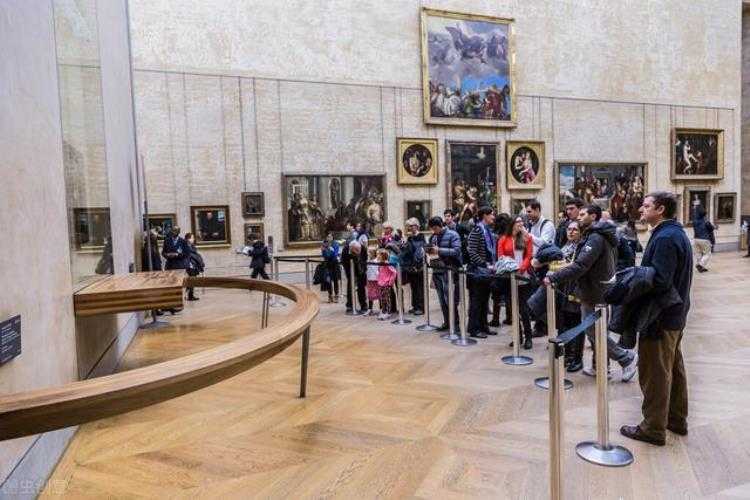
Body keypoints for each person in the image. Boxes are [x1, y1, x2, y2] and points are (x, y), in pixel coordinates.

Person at [620, 192, 693, 446]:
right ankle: (676, 419)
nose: (641, 209)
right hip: (674, 314)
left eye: (646, 205)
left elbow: (659, 280)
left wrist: (630, 281)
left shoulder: (665, 238)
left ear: (660, 209)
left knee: (655, 373)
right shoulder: (674, 233)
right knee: (673, 368)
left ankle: (652, 428)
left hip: (660, 316)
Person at [545, 204, 638, 381]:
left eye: (582, 214)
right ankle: (600, 366)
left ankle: (626, 357)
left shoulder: (595, 237)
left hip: (596, 292)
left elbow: (581, 265)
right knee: (596, 330)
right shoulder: (597, 234)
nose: (578, 217)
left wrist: (555, 277)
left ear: (593, 217)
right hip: (594, 289)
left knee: (594, 331)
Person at [497, 215, 534, 349]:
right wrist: (510, 269)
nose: (520, 224)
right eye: (518, 222)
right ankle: (518, 337)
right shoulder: (503, 239)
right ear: (512, 224)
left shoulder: (526, 238)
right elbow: (500, 257)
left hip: (523, 276)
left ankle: (528, 337)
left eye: (522, 222)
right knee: (512, 308)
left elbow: (529, 256)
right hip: (508, 277)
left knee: (524, 309)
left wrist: (521, 269)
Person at [426, 217, 462, 332]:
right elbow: (433, 252)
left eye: (434, 228)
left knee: (450, 299)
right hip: (436, 269)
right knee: (441, 299)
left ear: (438, 226)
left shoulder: (453, 234)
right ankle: (446, 322)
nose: (433, 231)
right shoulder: (433, 237)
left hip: (449, 270)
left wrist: (439, 250)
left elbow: (457, 251)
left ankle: (455, 324)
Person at [466, 206, 496, 338]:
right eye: (491, 214)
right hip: (477, 271)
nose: (493, 217)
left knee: (485, 301)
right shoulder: (477, 230)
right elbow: (471, 251)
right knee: (476, 302)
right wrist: (484, 264)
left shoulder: (487, 229)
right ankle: (474, 329)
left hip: (486, 271)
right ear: (484, 215)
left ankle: (484, 326)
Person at [559, 221, 584, 371]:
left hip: (577, 289)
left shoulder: (582, 247)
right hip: (564, 288)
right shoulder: (566, 246)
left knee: (577, 324)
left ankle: (577, 358)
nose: (571, 232)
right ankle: (567, 354)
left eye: (575, 229)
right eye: (569, 229)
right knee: (565, 323)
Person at [402, 218, 426, 315]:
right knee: (413, 286)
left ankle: (420, 307)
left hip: (418, 265)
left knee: (419, 287)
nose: (410, 228)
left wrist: (416, 263)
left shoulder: (421, 236)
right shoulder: (410, 238)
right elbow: (408, 251)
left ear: (417, 226)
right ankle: (415, 306)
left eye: (412, 226)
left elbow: (420, 252)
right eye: (409, 226)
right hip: (411, 265)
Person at [691, 204, 714, 273]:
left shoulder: (694, 221)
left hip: (696, 239)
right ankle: (700, 265)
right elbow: (711, 228)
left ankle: (701, 267)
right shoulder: (706, 221)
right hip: (704, 239)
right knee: (707, 253)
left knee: (698, 253)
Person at [376, 248, 398, 320]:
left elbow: (394, 272)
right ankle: (383, 311)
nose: (377, 256)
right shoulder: (380, 264)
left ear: (383, 256)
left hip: (386, 284)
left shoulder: (387, 263)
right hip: (381, 284)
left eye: (378, 255)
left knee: (387, 298)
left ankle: (388, 312)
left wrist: (390, 282)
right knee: (382, 298)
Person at [184, 233, 204, 301]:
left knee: (193, 280)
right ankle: (188, 295)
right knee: (191, 280)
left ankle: (190, 295)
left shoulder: (192, 246)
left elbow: (195, 255)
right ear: (188, 239)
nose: (193, 239)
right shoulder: (185, 246)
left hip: (194, 265)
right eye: (192, 238)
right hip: (189, 265)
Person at [349, 240, 368, 314]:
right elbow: (346, 262)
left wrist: (363, 270)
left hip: (362, 271)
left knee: (362, 288)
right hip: (353, 271)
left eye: (358, 250)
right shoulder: (347, 251)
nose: (358, 252)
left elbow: (365, 259)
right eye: (355, 250)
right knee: (353, 287)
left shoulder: (363, 248)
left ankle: (364, 306)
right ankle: (351, 305)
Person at [321, 233, 341, 302]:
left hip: (334, 263)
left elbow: (335, 254)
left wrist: (329, 249)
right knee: (328, 279)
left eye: (330, 236)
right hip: (327, 264)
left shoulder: (335, 244)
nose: (329, 238)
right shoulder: (324, 244)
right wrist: (324, 250)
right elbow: (324, 255)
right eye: (328, 236)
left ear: (333, 237)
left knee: (335, 279)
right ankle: (330, 295)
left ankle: (336, 295)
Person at [365, 249, 380, 316]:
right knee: (370, 295)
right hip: (370, 280)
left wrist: (378, 277)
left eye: (370, 253)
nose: (368, 254)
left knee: (379, 294)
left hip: (376, 280)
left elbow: (377, 270)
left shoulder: (377, 261)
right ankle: (370, 309)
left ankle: (381, 309)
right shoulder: (368, 261)